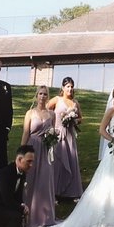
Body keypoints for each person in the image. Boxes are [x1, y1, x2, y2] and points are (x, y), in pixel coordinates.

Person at [37, 87, 114, 227]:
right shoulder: (110, 111)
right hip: (113, 151)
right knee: (108, 180)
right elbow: (102, 130)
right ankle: (104, 210)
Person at [41, 77, 83, 210]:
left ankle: (72, 192)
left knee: (71, 161)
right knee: (57, 164)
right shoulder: (57, 100)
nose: (70, 89)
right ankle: (54, 193)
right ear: (63, 88)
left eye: (71, 86)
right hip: (58, 135)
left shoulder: (75, 102)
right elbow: (45, 110)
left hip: (70, 135)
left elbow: (80, 118)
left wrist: (73, 120)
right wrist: (50, 124)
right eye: (67, 86)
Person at [21, 95, 59, 227]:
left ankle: (45, 215)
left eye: (45, 94)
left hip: (46, 150)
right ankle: (28, 215)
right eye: (41, 94)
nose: (43, 96)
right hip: (32, 148)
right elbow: (26, 133)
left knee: (45, 180)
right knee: (30, 180)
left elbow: (53, 131)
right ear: (37, 96)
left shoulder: (52, 114)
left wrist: (52, 139)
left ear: (47, 97)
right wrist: (22, 152)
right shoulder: (30, 113)